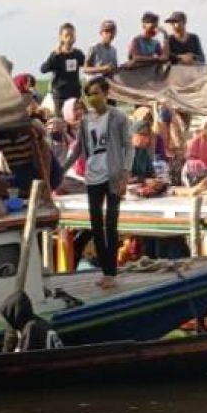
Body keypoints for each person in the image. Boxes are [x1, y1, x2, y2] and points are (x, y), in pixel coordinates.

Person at [64, 78, 134, 288]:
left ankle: (110, 273)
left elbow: (128, 146)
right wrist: (60, 169)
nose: (92, 98)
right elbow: (78, 149)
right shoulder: (85, 120)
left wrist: (125, 174)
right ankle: (105, 270)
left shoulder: (118, 117)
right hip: (92, 176)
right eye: (89, 94)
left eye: (95, 93)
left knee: (111, 225)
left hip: (112, 176)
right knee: (96, 225)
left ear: (105, 93)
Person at [40, 23, 86, 108]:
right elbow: (43, 69)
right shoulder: (57, 55)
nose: (69, 38)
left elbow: (87, 66)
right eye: (66, 35)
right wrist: (55, 54)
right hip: (60, 96)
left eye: (72, 35)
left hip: (74, 95)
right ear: (61, 37)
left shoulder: (78, 54)